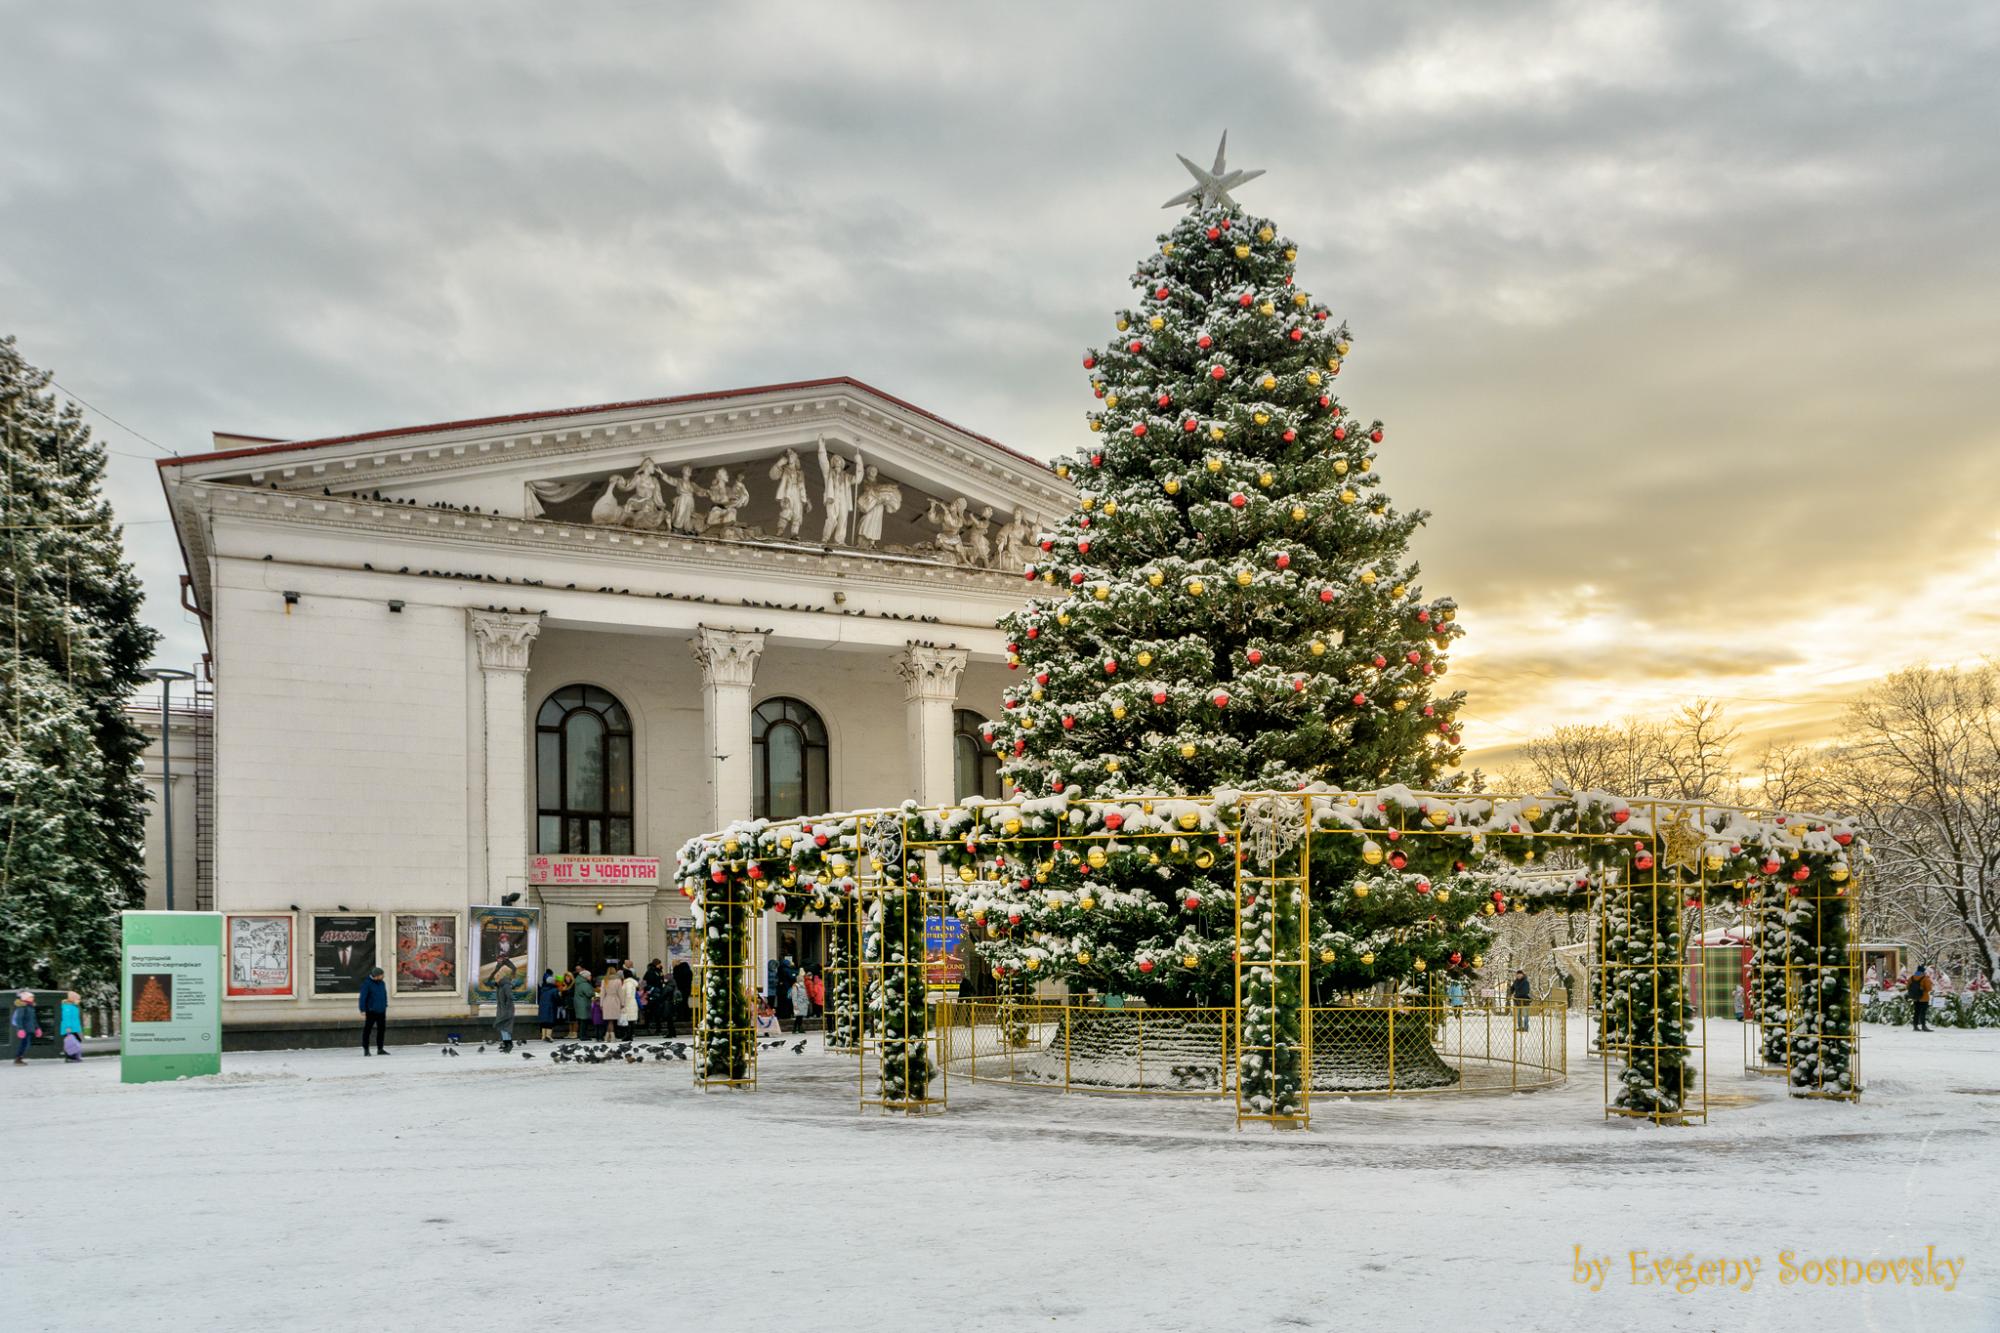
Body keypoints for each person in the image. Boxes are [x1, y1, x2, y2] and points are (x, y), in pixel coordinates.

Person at [359, 967, 389, 1055]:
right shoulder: (367, 984)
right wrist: (362, 1009)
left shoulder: (382, 983)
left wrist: (385, 1004)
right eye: (382, 975)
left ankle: (380, 1049)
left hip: (381, 1010)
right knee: (367, 1030)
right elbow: (363, 997)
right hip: (371, 1011)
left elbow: (384, 995)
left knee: (381, 1030)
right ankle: (366, 1049)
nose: (383, 976)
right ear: (376, 976)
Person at [491, 958, 518, 1053]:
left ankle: (508, 1044)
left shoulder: (505, 985)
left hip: (507, 1010)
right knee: (503, 1027)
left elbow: (509, 997)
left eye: (496, 977)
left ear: (500, 977)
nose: (495, 979)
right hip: (502, 1009)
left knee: (505, 1027)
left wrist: (506, 1008)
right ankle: (506, 1043)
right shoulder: (500, 986)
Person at [10, 990, 40, 1065]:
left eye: (33, 997)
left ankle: (19, 1058)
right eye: (31, 997)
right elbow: (19, 1018)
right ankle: (18, 1059)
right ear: (25, 998)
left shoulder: (30, 1007)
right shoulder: (22, 1007)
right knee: (24, 1044)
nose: (33, 998)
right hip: (24, 1029)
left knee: (26, 1044)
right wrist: (20, 1029)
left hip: (29, 1028)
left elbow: (33, 1019)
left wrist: (37, 1028)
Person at [1909, 964, 1934, 1032]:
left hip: (1915, 998)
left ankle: (1915, 1026)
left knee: (1916, 1012)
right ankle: (1923, 1026)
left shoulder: (1911, 978)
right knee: (1923, 1012)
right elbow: (1929, 989)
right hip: (1924, 998)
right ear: (1923, 971)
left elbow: (1907, 986)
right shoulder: (1925, 978)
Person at [571, 969, 594, 1041]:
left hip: (579, 1003)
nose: (591, 977)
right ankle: (583, 1036)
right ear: (586, 976)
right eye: (590, 975)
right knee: (584, 1020)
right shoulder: (584, 984)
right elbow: (589, 993)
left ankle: (581, 1035)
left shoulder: (578, 982)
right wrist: (594, 992)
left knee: (581, 1020)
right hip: (583, 1004)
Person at [537, 969, 560, 1043]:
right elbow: (557, 998)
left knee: (544, 1022)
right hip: (551, 1008)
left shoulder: (542, 989)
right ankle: (548, 1036)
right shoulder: (554, 990)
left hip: (542, 1007)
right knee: (550, 1022)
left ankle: (543, 1036)